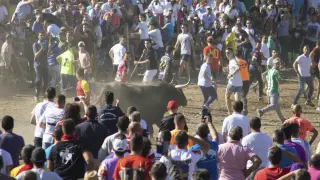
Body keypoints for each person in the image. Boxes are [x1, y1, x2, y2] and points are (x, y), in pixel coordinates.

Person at [188, 114, 219, 180]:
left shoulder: (192, 149)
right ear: (208, 132)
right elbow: (215, 136)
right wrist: (209, 123)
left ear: (197, 133)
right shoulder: (214, 145)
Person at [225, 48, 242, 115]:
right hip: (239, 83)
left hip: (233, 82)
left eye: (228, 52)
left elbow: (238, 68)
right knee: (237, 100)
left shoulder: (233, 60)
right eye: (226, 53)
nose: (227, 54)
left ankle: (229, 113)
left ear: (232, 53)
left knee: (227, 96)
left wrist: (231, 74)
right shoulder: (233, 60)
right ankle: (239, 113)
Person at [33, 32, 49, 102]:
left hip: (45, 64)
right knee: (39, 80)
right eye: (40, 35)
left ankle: (44, 95)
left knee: (46, 80)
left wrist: (50, 48)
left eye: (42, 35)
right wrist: (42, 48)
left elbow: (48, 54)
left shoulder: (46, 44)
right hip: (38, 64)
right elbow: (36, 55)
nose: (41, 36)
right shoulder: (35, 44)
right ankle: (36, 95)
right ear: (38, 36)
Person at [235, 49, 250, 115]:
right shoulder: (245, 61)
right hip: (247, 79)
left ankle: (243, 107)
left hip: (240, 80)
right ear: (241, 55)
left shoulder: (236, 62)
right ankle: (243, 106)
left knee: (242, 95)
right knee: (244, 95)